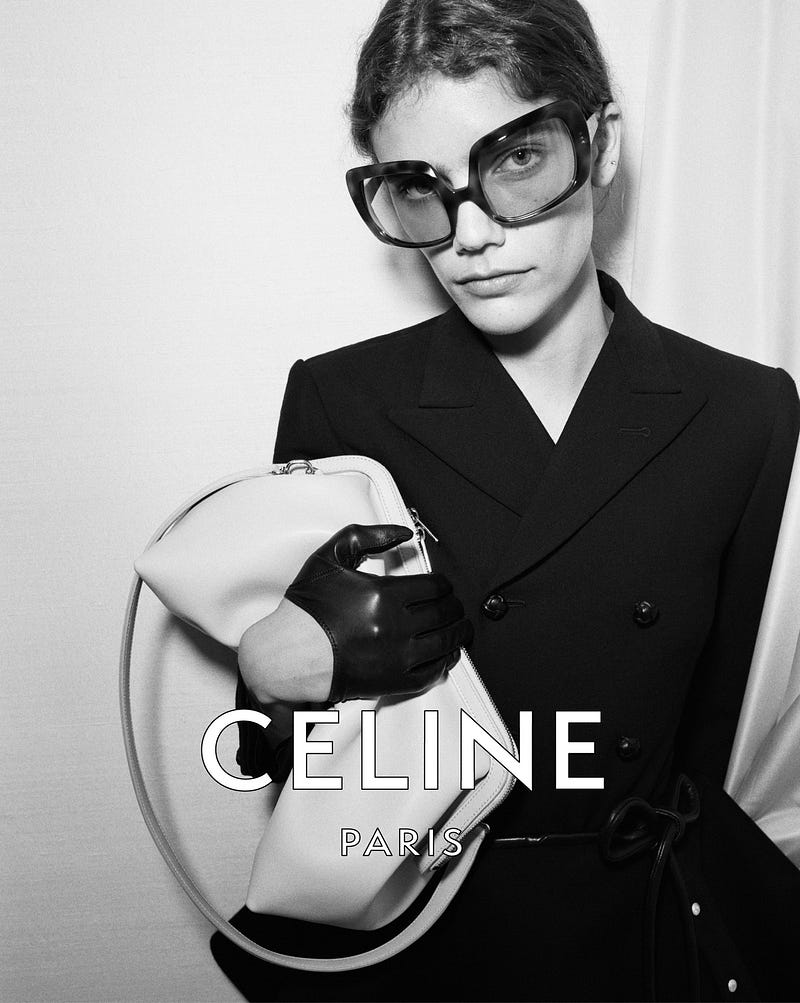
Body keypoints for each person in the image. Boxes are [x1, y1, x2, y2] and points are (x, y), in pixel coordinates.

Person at [210, 1, 800, 1000]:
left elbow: (716, 753)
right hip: (427, 941)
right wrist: (272, 675)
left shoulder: (746, 413)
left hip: (644, 941)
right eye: (420, 188)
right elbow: (291, 763)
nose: (470, 236)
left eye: (515, 160)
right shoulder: (342, 399)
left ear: (598, 146)